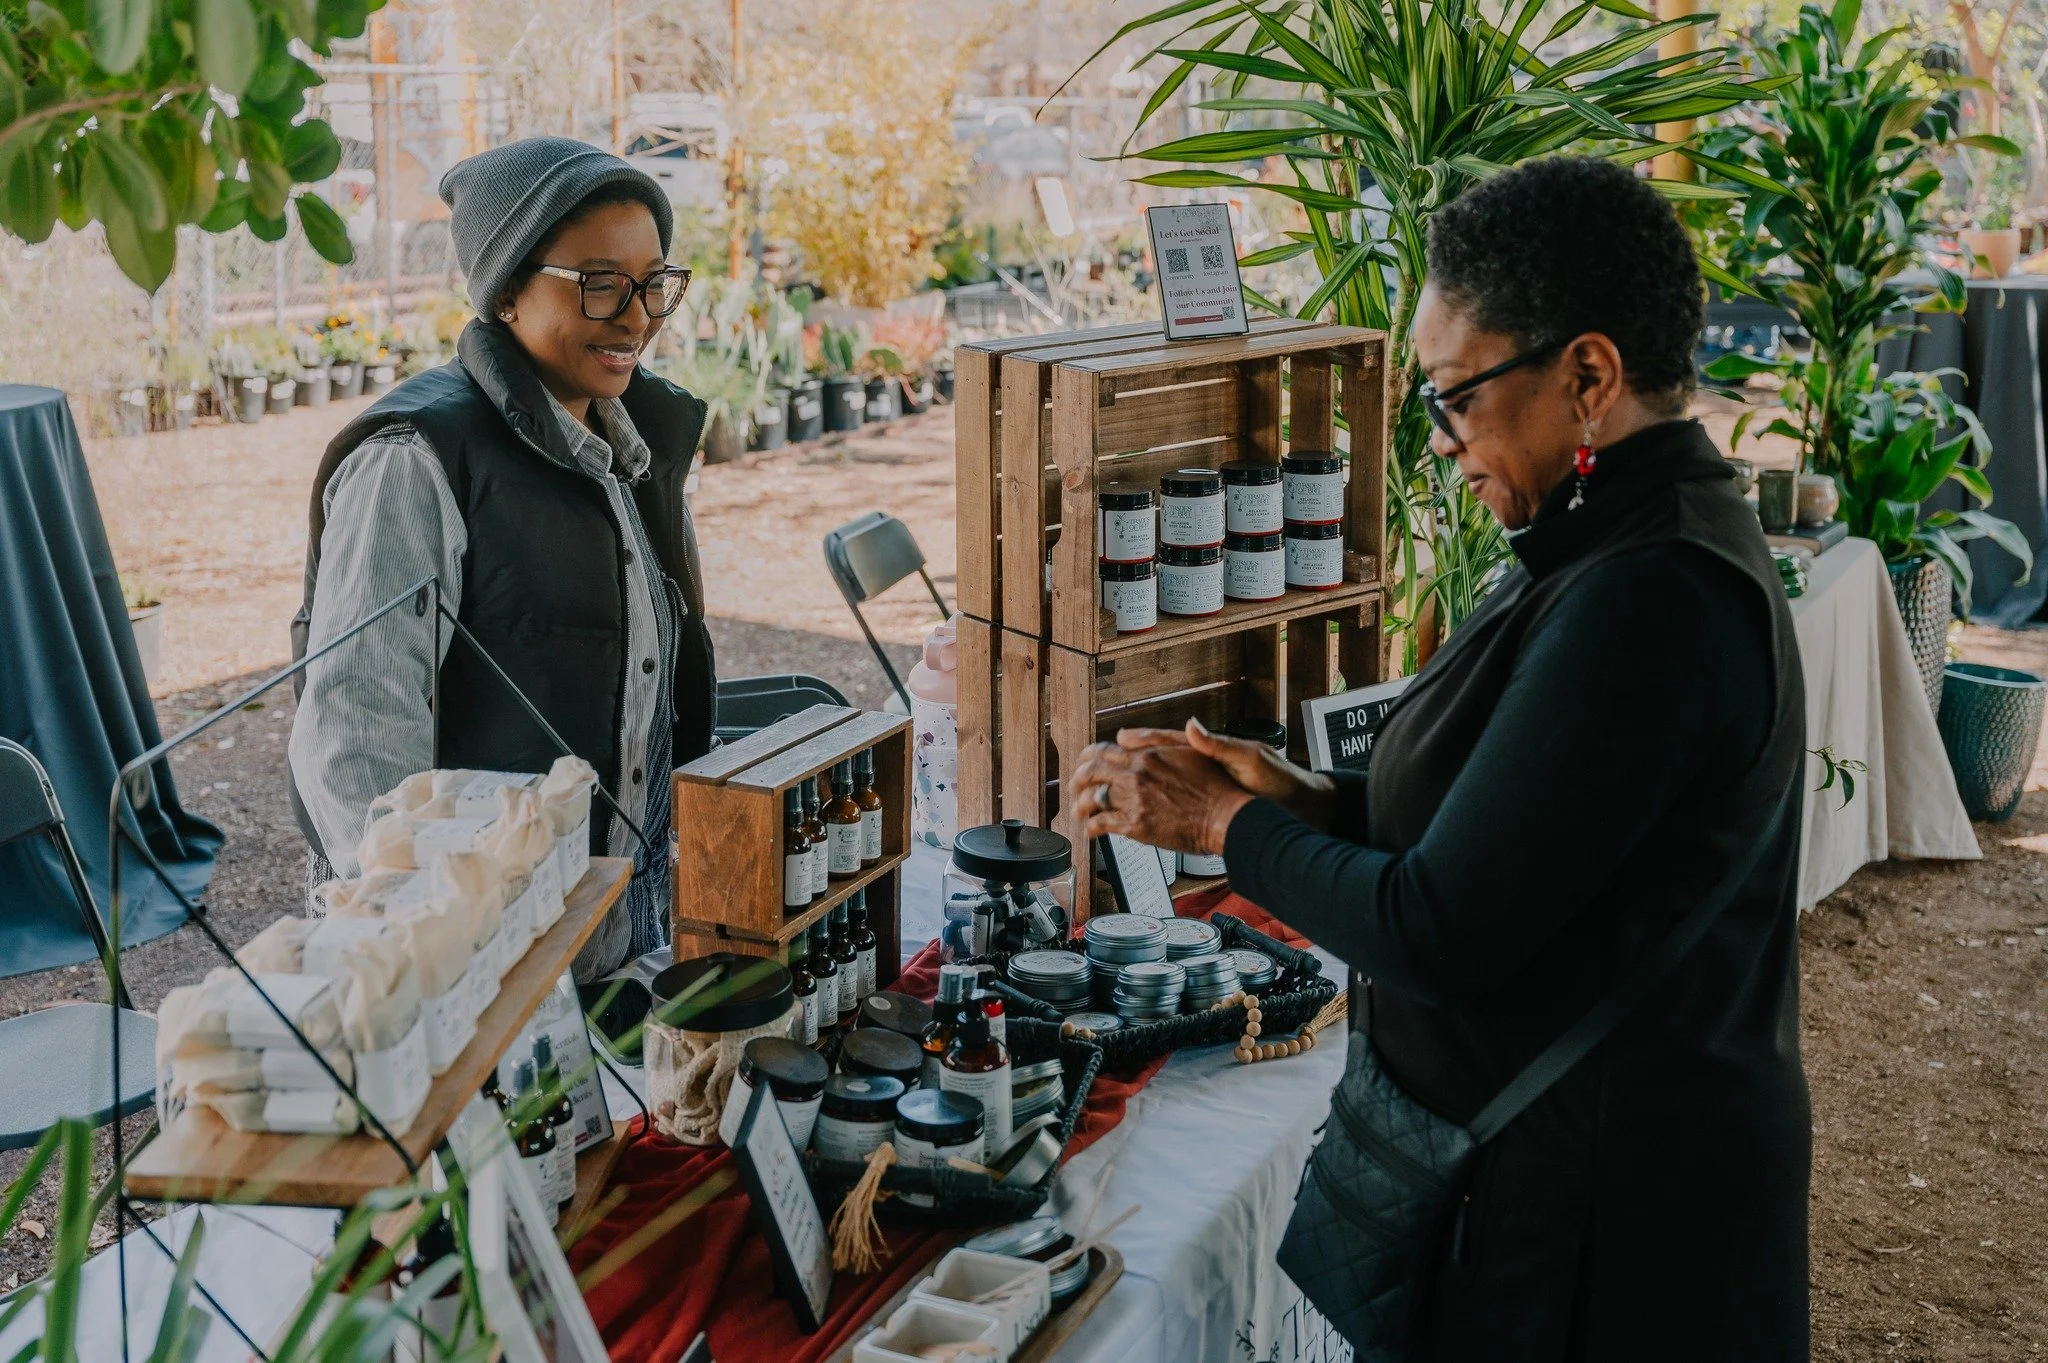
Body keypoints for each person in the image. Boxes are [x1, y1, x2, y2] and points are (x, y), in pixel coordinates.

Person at [1070, 157, 1810, 1360]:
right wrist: (1314, 795)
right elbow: (1533, 827)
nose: (1443, 443)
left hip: (1612, 1232)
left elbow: (1442, 924)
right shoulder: (1613, 542)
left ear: (1586, 375)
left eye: (1454, 398)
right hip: (1578, 1180)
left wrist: (1224, 827)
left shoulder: (1650, 598)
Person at [289, 138, 714, 981]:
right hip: (482, 974)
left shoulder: (632, 444)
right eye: (601, 283)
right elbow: (356, 749)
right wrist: (440, 959)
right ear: (508, 291)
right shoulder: (416, 461)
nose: (638, 317)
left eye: (654, 282)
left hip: (611, 954)